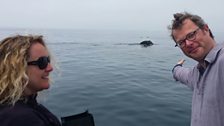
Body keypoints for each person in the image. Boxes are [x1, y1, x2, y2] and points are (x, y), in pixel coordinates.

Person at [168, 12, 224, 126]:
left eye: (191, 35)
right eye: (181, 42)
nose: (188, 44)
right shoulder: (197, 73)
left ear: (206, 29)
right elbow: (181, 74)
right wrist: (176, 68)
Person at [0, 35, 61, 126]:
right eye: (42, 62)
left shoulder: (18, 105)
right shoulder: (21, 119)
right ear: (18, 68)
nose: (50, 68)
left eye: (48, 60)